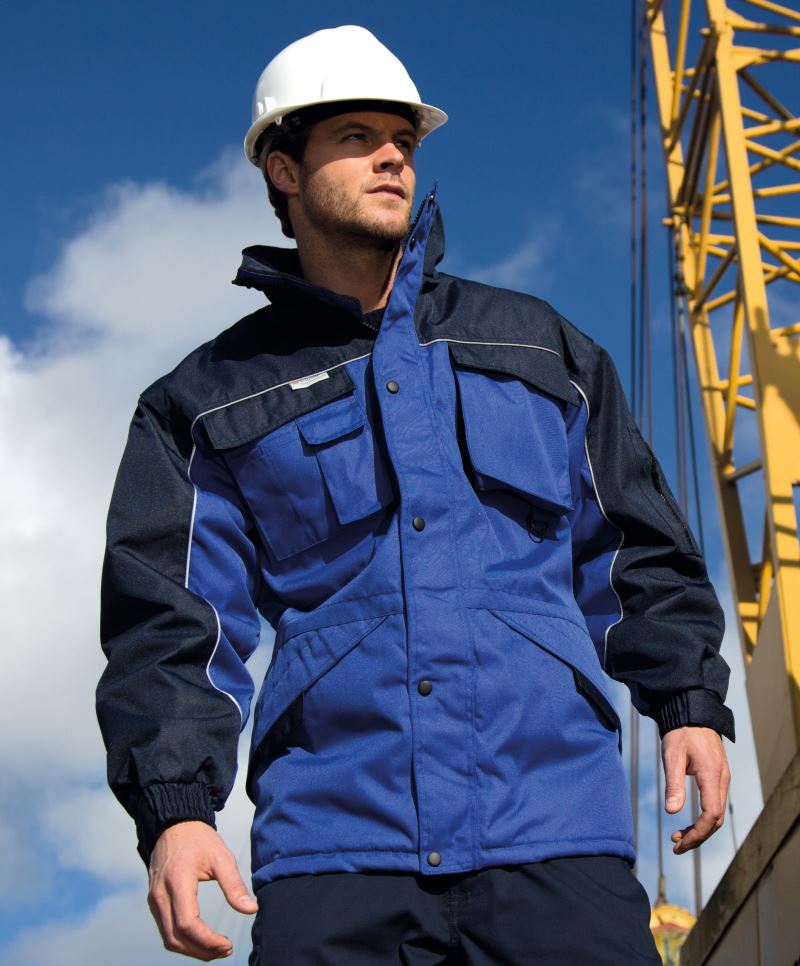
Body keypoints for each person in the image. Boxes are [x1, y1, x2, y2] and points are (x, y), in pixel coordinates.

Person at [97, 24, 735, 964]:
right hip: (335, 845)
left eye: (402, 138)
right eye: (356, 137)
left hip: (554, 827)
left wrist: (687, 701)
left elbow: (635, 547)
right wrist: (175, 809)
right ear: (284, 169)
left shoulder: (540, 348)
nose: (393, 156)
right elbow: (171, 623)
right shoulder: (207, 402)